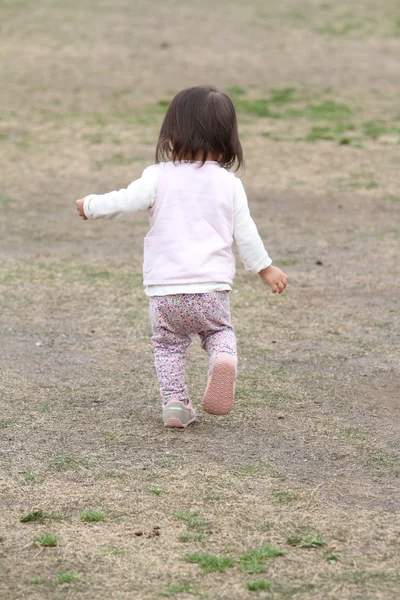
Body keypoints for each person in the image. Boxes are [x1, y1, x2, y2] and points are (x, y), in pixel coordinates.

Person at [75, 85, 287, 428]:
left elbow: (124, 201)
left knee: (169, 346)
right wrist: (264, 268)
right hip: (211, 290)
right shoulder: (229, 183)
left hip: (165, 292)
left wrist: (91, 205)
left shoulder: (158, 177)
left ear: (172, 131)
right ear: (228, 137)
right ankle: (222, 359)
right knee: (219, 333)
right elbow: (245, 233)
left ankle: (175, 403)